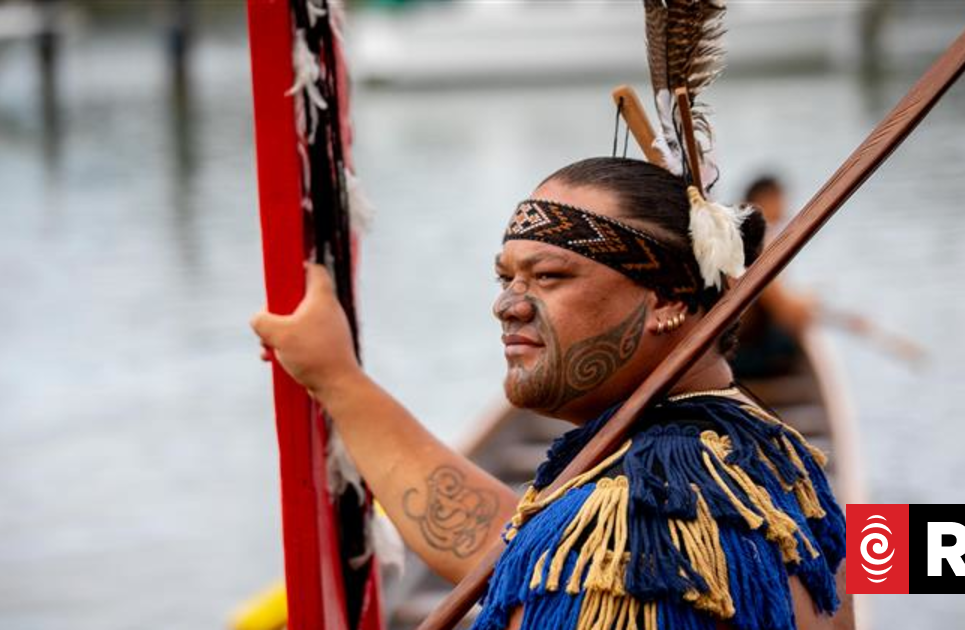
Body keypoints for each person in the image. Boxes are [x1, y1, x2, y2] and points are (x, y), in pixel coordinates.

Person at [251, 157, 852, 630]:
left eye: (548, 277)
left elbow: (593, 556)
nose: (507, 306)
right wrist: (338, 379)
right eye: (506, 276)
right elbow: (513, 546)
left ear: (668, 299)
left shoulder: (642, 521)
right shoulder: (755, 450)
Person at [732, 176, 819, 378]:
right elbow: (788, 313)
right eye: (781, 200)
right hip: (741, 355)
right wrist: (808, 304)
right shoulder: (760, 240)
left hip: (729, 347)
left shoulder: (736, 232)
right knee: (787, 341)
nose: (785, 208)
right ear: (768, 199)